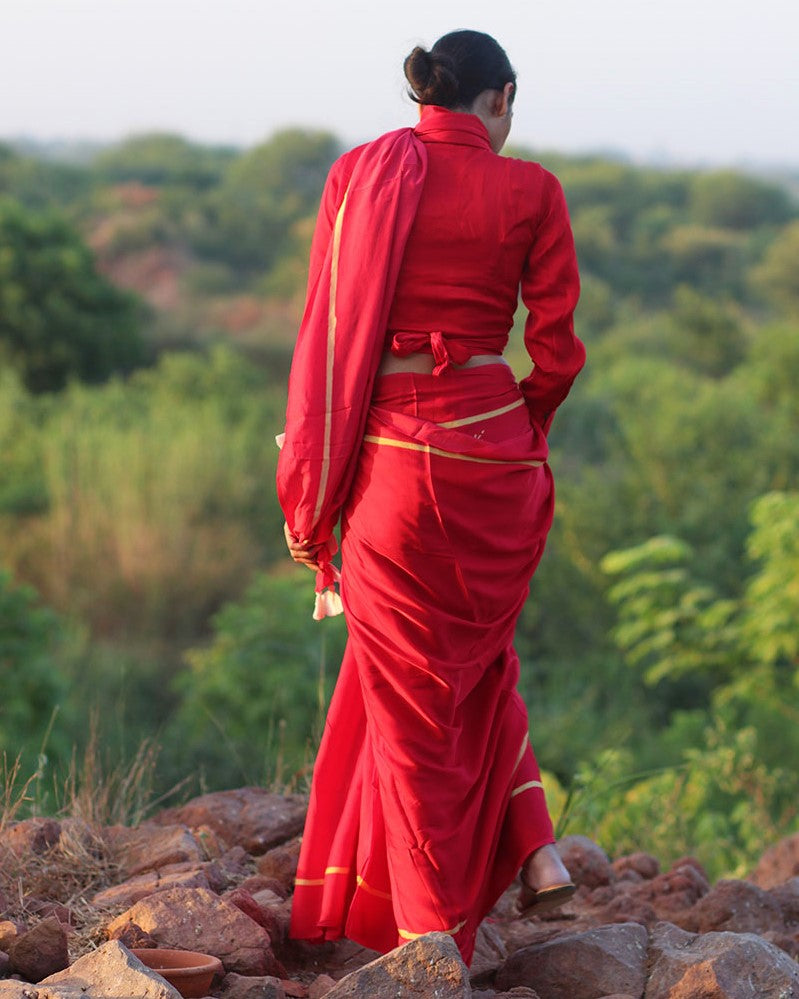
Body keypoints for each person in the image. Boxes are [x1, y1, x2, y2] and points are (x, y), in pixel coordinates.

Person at [276, 29, 585, 965]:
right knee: (475, 657)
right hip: (497, 458)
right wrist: (517, 423)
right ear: (499, 99)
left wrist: (309, 481)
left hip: (394, 454)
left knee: (412, 699)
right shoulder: (531, 190)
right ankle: (535, 851)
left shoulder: (359, 176)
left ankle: (424, 935)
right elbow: (560, 349)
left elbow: (327, 337)